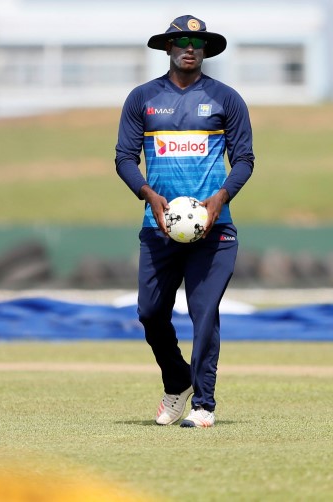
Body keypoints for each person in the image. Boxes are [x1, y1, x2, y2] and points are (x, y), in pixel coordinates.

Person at [115, 16, 255, 428]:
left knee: (204, 312)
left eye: (198, 41)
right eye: (181, 40)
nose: (190, 47)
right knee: (150, 312)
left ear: (206, 49)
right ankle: (177, 381)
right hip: (158, 228)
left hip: (215, 231)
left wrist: (221, 197)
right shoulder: (142, 98)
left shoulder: (226, 99)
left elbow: (244, 159)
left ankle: (203, 405)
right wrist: (148, 194)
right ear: (167, 48)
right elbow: (124, 157)